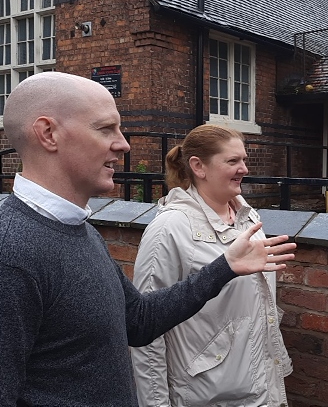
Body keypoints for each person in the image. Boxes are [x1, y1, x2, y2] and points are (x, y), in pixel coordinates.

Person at [0, 72, 296, 406]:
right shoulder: (11, 251)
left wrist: (226, 266)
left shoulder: (79, 228)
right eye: (105, 128)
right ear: (48, 133)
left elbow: (139, 321)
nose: (123, 144)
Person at [130, 125, 292, 406]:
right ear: (198, 167)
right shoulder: (170, 228)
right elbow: (146, 329)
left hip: (259, 388)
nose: (243, 168)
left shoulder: (247, 217)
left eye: (243, 160)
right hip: (204, 395)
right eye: (232, 161)